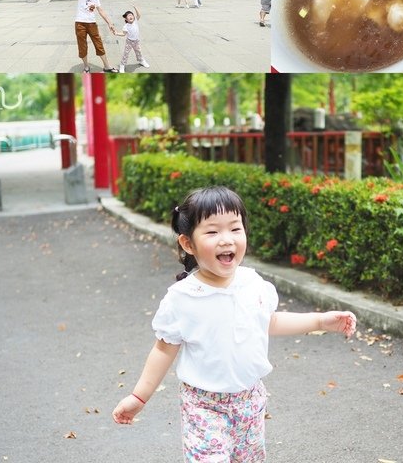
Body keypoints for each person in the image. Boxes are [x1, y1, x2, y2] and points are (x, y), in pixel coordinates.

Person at [112, 186, 357, 461]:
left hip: (250, 400)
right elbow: (162, 350)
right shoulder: (182, 299)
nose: (226, 239)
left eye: (235, 229)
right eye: (212, 231)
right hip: (203, 404)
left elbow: (269, 321)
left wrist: (321, 320)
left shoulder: (254, 284)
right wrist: (139, 397)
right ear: (188, 244)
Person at [53, 0, 118, 73]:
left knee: (99, 44)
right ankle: (86, 66)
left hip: (92, 24)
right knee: (82, 46)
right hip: (80, 24)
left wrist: (110, 23)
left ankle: (107, 66)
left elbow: (101, 11)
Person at [110, 5, 149, 72]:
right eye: (128, 16)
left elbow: (139, 15)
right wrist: (116, 33)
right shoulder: (126, 26)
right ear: (126, 19)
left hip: (136, 41)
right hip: (129, 42)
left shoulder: (135, 22)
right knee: (126, 53)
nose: (130, 16)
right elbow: (124, 34)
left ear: (133, 17)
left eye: (131, 15)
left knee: (138, 52)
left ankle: (141, 61)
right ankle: (122, 65)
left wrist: (135, 7)